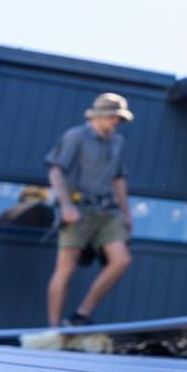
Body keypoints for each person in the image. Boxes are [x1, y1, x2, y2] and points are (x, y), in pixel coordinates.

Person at [44, 93, 135, 326]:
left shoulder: (117, 142)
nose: (118, 122)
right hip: (78, 209)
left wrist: (126, 213)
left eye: (120, 119)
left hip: (108, 211)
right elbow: (55, 171)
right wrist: (65, 206)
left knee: (121, 260)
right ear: (101, 115)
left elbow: (118, 180)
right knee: (66, 267)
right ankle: (54, 328)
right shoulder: (76, 136)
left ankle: (81, 315)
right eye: (115, 117)